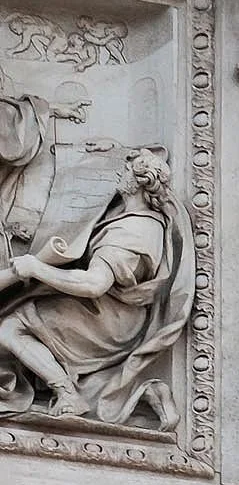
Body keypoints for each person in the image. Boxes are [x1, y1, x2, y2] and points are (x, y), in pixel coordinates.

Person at [0, 146, 194, 426]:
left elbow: (94, 284)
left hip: (108, 319)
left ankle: (68, 394)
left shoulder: (131, 232)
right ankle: (144, 393)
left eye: (127, 169)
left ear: (140, 181)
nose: (120, 171)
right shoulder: (131, 218)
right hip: (109, 311)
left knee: (9, 329)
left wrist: (37, 267)